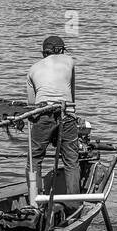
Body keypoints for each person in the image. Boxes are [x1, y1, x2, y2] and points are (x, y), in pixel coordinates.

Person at [26, 35, 80, 201]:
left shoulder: (32, 69)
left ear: (44, 53)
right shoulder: (69, 61)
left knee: (34, 159)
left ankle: (34, 201)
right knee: (71, 160)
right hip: (66, 112)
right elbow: (72, 97)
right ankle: (74, 203)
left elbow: (31, 105)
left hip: (43, 112)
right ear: (60, 51)